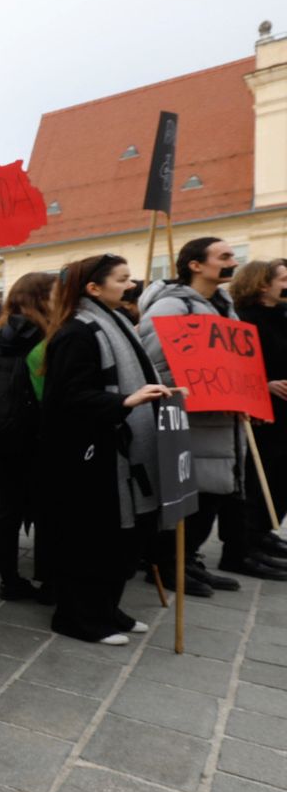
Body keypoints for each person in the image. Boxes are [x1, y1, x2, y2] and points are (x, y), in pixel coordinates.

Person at [41, 254, 173, 644]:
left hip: (121, 450)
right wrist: (125, 402)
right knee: (92, 541)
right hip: (91, 456)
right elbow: (67, 398)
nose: (131, 285)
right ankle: (78, 617)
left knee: (121, 540)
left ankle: (107, 609)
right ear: (93, 288)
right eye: (122, 279)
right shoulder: (77, 332)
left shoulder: (117, 322)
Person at [137, 237, 279, 585]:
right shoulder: (170, 307)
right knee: (192, 495)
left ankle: (188, 560)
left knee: (214, 493)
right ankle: (168, 566)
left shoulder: (222, 305)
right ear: (195, 265)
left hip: (222, 421)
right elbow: (154, 366)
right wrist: (206, 390)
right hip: (192, 419)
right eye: (224, 256)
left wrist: (246, 396)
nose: (233, 262)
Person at [0, 272, 58, 601]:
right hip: (35, 432)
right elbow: (47, 392)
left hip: (2, 430)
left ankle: (7, 577)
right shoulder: (47, 337)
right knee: (46, 508)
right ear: (41, 297)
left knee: (7, 507)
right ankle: (49, 577)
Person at [219, 258, 287, 565]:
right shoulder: (244, 320)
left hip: (283, 414)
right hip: (260, 413)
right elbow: (234, 368)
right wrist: (265, 385)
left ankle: (262, 531)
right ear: (262, 285)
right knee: (257, 478)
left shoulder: (281, 315)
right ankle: (244, 541)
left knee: (280, 477)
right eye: (283, 279)